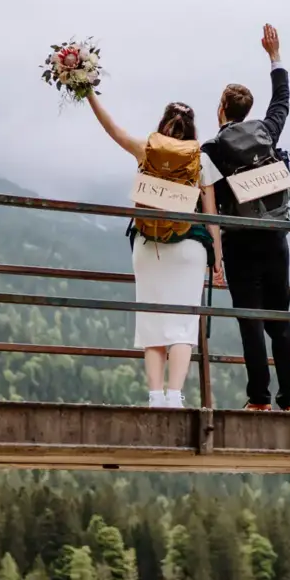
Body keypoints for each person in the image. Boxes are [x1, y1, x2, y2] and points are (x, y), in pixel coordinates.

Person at [85, 93, 225, 408]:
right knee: (183, 325)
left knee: (152, 322)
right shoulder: (201, 160)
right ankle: (175, 397)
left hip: (148, 245)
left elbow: (112, 129)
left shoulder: (145, 150)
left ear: (163, 123)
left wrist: (88, 93)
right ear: (192, 129)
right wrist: (218, 258)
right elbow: (211, 215)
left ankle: (155, 397)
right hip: (189, 247)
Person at [202, 24, 290, 411]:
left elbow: (205, 200)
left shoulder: (212, 149)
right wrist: (275, 56)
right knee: (279, 319)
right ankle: (289, 400)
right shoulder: (267, 133)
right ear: (248, 111)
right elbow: (282, 101)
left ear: (222, 110)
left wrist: (213, 255)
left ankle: (259, 399)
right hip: (275, 236)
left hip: (240, 241)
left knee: (250, 321)